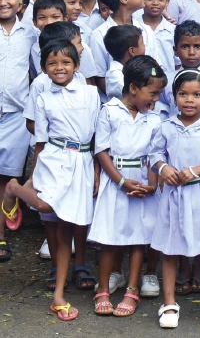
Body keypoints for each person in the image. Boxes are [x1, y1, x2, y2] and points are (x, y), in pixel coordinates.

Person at [2, 39, 100, 321]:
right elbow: (41, 141)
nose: (59, 68)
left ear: (77, 65)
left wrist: (96, 168)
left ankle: (58, 295)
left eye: (65, 62)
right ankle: (14, 188)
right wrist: (31, 178)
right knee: (46, 206)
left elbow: (97, 135)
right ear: (44, 69)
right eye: (52, 63)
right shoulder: (44, 98)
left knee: (65, 230)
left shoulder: (91, 93)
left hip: (82, 161)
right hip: (54, 158)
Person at [150, 69, 200, 330]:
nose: (189, 100)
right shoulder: (166, 126)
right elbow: (155, 154)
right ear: (174, 96)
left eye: (196, 95)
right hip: (175, 196)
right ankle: (169, 303)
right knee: (170, 249)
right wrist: (164, 168)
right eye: (183, 94)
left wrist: (195, 171)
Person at [90, 56, 166, 317]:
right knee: (110, 238)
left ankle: (132, 290)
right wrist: (121, 182)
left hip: (143, 183)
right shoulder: (109, 111)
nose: (155, 99)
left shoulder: (154, 119)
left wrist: (152, 186)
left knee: (138, 238)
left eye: (158, 94)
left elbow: (155, 155)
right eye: (152, 93)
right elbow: (102, 151)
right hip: (116, 181)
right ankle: (103, 289)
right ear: (133, 88)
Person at [0, 0, 36, 262]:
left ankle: (2, 230)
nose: (3, 3)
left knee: (7, 176)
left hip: (15, 115)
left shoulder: (30, 33)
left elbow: (38, 70)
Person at [89, 0, 158, 98]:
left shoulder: (146, 31)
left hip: (147, 101)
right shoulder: (99, 35)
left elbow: (155, 67)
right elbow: (100, 77)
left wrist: (152, 85)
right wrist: (128, 100)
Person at [135, 0, 176, 74]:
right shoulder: (134, 29)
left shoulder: (173, 30)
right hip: (142, 79)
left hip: (168, 79)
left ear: (167, 1)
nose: (155, 3)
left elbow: (177, 62)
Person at [103, 25, 145, 100]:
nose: (145, 46)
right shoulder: (115, 76)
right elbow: (139, 94)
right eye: (142, 43)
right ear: (132, 51)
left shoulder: (136, 66)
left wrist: (153, 69)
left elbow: (154, 73)